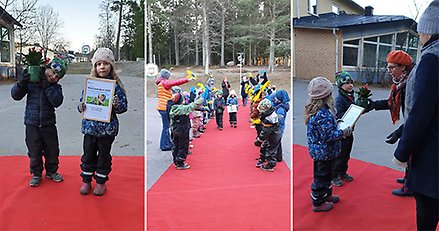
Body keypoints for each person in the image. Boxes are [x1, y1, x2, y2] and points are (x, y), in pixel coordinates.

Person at [392, 1, 438, 229]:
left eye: (421, 29)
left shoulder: (431, 60)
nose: (419, 34)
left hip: (433, 155)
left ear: (429, 30)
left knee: (427, 213)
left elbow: (422, 111)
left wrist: (402, 151)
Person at [77, 48, 128, 196]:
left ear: (111, 65)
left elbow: (123, 107)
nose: (102, 67)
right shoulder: (90, 84)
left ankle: (100, 182)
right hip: (90, 129)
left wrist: (115, 104)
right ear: (94, 66)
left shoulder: (116, 86)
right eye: (98, 64)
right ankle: (86, 180)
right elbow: (82, 103)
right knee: (88, 155)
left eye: (105, 63)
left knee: (103, 157)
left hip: (107, 130)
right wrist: (82, 106)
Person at [11, 57, 68, 187]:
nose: (53, 76)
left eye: (57, 76)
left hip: (48, 125)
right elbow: (15, 95)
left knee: (52, 150)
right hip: (32, 124)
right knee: (34, 151)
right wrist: (22, 83)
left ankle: (51, 171)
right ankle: (36, 173)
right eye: (52, 72)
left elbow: (57, 102)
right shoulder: (32, 83)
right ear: (46, 68)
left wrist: (48, 87)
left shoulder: (55, 88)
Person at [368, 50, 415, 196]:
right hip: (410, 123)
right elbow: (394, 103)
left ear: (403, 67)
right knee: (410, 153)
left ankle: (410, 187)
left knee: (413, 152)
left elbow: (416, 114)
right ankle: (409, 178)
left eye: (392, 67)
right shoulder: (402, 82)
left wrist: (399, 132)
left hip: (415, 124)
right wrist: (373, 105)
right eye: (387, 67)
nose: (389, 71)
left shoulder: (412, 84)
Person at [305, 77, 352, 212]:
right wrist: (343, 133)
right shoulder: (322, 114)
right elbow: (328, 136)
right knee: (322, 177)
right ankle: (318, 201)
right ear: (326, 96)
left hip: (326, 152)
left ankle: (327, 195)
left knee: (328, 174)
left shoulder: (322, 111)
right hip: (323, 153)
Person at [156, 69, 192, 151]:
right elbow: (175, 82)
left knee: (166, 126)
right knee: (166, 127)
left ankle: (166, 143)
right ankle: (165, 145)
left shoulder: (160, 83)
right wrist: (187, 79)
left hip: (162, 107)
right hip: (165, 107)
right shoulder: (164, 83)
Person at [331, 71, 356, 187]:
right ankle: (334, 175)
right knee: (340, 155)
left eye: (351, 83)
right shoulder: (340, 99)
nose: (350, 85)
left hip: (349, 131)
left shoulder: (350, 96)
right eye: (347, 83)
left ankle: (343, 172)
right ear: (341, 85)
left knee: (346, 154)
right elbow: (338, 115)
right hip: (342, 132)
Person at [169, 92, 204, 170]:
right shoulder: (182, 109)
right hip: (182, 130)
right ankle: (180, 162)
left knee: (176, 145)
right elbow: (192, 106)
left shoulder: (173, 107)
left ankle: (176, 160)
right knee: (183, 146)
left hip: (175, 129)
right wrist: (202, 97)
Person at [254, 98, 282, 172]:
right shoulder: (270, 113)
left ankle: (270, 165)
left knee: (271, 150)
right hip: (272, 134)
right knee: (265, 146)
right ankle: (262, 159)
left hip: (273, 135)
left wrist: (259, 140)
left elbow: (265, 131)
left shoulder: (269, 118)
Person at [271, 89, 290, 162]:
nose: (275, 98)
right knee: (278, 142)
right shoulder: (280, 106)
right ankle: (278, 157)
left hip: (278, 128)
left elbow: (279, 120)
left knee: (276, 142)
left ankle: (276, 157)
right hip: (279, 127)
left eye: (276, 97)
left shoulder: (281, 109)